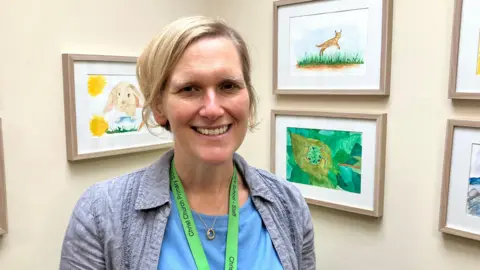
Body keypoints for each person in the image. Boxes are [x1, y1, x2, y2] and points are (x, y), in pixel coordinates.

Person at [59, 15, 315, 270]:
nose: (213, 109)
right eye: (190, 89)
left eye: (228, 85)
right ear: (159, 107)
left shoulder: (288, 203)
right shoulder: (101, 214)